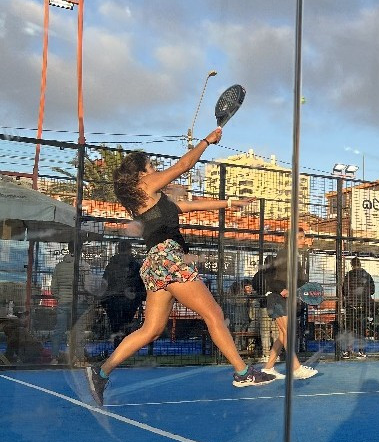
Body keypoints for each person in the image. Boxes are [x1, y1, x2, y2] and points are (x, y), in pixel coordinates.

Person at [85, 127, 275, 406]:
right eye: (151, 166)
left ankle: (100, 373)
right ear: (140, 173)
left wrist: (231, 202)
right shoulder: (144, 186)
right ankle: (243, 372)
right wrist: (207, 141)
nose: (155, 169)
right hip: (167, 259)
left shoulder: (155, 199)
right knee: (214, 313)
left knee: (151, 330)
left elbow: (189, 206)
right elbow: (184, 165)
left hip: (157, 263)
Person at [260, 227, 318, 380]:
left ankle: (268, 368)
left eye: (304, 237)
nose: (303, 240)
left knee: (282, 335)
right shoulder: (285, 254)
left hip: (281, 299)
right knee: (288, 332)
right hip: (276, 299)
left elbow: (297, 282)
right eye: (300, 237)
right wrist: (282, 289)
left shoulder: (292, 255)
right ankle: (296, 368)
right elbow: (273, 279)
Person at [50, 241, 94, 364]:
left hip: (63, 302)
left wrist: (61, 297)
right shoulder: (84, 265)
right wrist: (89, 299)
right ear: (80, 250)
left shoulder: (59, 266)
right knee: (79, 331)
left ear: (68, 249)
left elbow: (53, 288)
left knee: (59, 331)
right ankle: (79, 358)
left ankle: (54, 357)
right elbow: (88, 286)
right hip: (79, 303)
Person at [101, 241, 146, 347]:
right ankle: (125, 348)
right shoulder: (135, 264)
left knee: (115, 327)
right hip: (130, 300)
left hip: (112, 300)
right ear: (129, 250)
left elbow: (104, 282)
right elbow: (141, 282)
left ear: (118, 249)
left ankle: (117, 348)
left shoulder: (111, 264)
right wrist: (139, 296)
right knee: (127, 326)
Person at [341, 257, 375, 358]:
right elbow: (372, 290)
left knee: (349, 329)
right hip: (363, 306)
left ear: (351, 265)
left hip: (351, 306)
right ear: (360, 264)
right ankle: (361, 351)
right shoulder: (367, 275)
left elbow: (344, 291)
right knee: (361, 329)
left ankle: (348, 351)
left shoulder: (348, 275)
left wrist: (351, 296)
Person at [252, 255, 279, 362]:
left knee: (265, 331)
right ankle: (276, 354)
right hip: (277, 306)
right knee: (276, 331)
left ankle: (266, 354)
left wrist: (262, 292)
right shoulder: (278, 275)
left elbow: (254, 286)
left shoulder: (259, 274)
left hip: (264, 305)